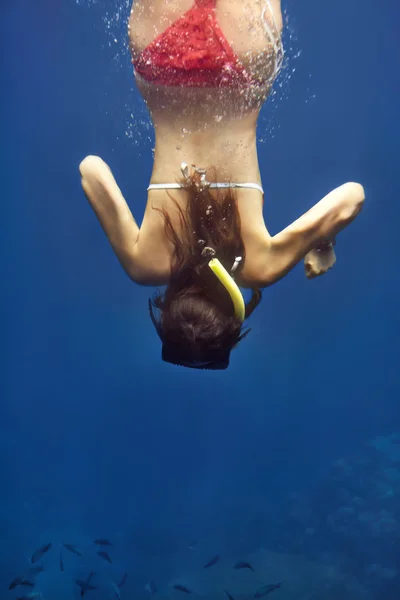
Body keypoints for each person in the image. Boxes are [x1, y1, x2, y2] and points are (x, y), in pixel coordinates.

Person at [79, 0, 365, 370]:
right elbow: (91, 169)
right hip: (162, 62)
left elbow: (351, 197)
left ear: (235, 314)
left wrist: (321, 242)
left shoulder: (258, 267)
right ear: (166, 311)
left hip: (242, 67)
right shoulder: (143, 264)